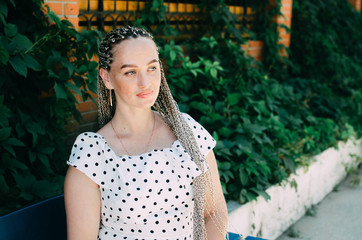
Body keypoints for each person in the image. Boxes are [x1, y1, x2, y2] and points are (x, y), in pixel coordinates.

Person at [64, 26, 228, 240]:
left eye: (152, 68)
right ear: (107, 78)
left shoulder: (186, 131)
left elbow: (215, 212)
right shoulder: (93, 153)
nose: (145, 83)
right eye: (130, 72)